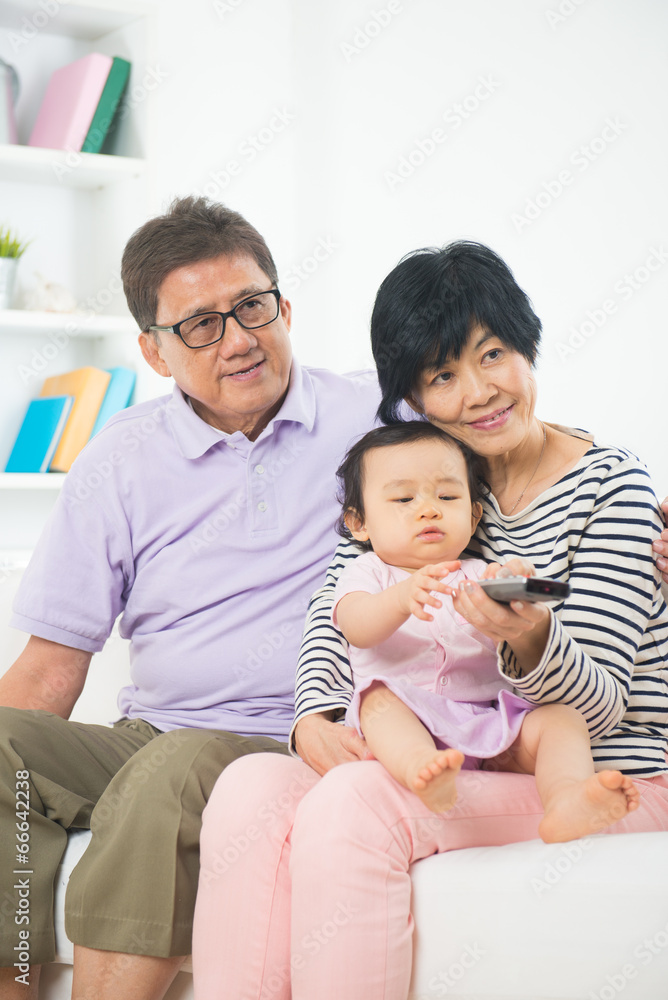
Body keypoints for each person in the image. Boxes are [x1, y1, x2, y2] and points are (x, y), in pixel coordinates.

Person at [193, 241, 668, 1000]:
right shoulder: (439, 477)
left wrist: (531, 637)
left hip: (607, 771)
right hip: (465, 755)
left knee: (358, 804)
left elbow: (604, 701)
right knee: (251, 785)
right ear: (413, 394)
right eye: (443, 375)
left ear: (528, 346)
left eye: (494, 354)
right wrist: (315, 712)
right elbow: (338, 603)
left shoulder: (613, 487)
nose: (479, 391)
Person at [0, 197, 381, 1000]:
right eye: (201, 324)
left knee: (170, 770)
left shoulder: (374, 418)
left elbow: (516, 442)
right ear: (153, 350)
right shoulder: (118, 460)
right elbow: (48, 669)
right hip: (153, 734)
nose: (240, 338)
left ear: (284, 305)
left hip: (296, 736)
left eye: (252, 306)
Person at [333, 420, 639, 837]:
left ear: (474, 515)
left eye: (448, 495)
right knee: (377, 700)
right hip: (409, 720)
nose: (429, 508)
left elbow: (507, 629)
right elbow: (356, 627)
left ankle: (568, 796)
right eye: (404, 498)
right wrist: (401, 598)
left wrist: (513, 587)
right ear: (359, 524)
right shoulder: (368, 572)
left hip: (486, 721)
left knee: (561, 719)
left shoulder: (476, 573)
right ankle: (422, 771)